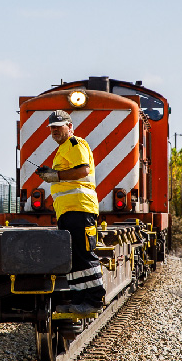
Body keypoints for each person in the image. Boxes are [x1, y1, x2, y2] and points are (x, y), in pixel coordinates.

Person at [35, 110, 106, 315]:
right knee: (74, 257)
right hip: (69, 211)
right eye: (52, 128)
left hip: (80, 208)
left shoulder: (75, 144)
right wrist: (52, 174)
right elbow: (68, 175)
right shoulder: (63, 149)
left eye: (59, 126)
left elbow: (83, 170)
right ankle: (79, 299)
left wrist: (55, 175)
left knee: (84, 255)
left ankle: (93, 300)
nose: (55, 130)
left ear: (70, 127)